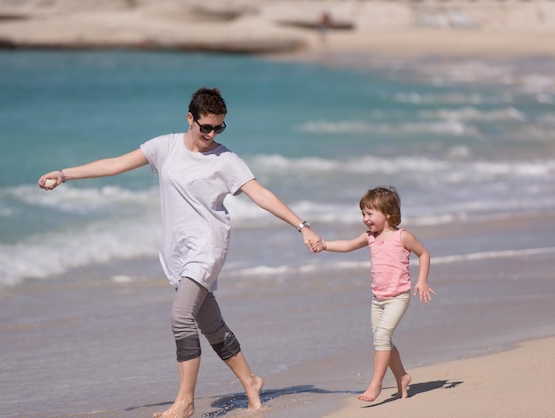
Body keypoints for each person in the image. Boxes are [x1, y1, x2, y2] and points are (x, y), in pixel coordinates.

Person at [38, 87, 323, 418]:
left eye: (219, 128)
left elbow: (261, 195)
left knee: (180, 317)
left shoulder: (226, 160)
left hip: (208, 247)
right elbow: (115, 164)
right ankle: (251, 381)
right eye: (206, 127)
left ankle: (184, 402)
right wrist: (64, 174)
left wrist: (303, 226)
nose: (212, 134)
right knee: (211, 325)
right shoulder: (165, 147)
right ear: (191, 119)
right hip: (177, 252)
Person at [313, 186, 434, 402]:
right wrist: (324, 245)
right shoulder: (370, 237)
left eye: (370, 213)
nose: (365, 218)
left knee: (382, 337)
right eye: (363, 214)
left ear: (387, 213)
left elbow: (423, 253)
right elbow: (349, 245)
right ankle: (402, 376)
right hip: (377, 299)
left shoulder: (402, 236)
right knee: (382, 340)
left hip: (398, 296)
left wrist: (422, 280)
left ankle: (375, 384)